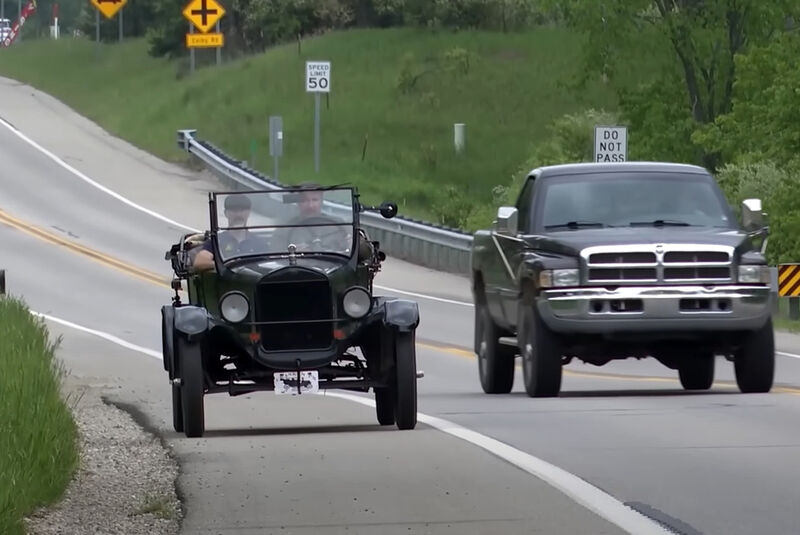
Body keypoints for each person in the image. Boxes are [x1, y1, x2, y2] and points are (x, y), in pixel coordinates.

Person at [193, 194, 256, 272]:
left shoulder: (257, 242)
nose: (238, 215)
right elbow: (199, 262)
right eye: (234, 211)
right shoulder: (217, 241)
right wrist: (226, 266)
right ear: (226, 213)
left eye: (242, 210)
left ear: (249, 212)